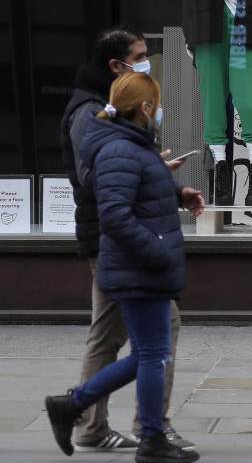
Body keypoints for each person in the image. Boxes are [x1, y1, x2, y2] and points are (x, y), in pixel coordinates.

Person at [46, 72, 204, 463]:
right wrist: (156, 251)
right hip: (138, 266)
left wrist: (177, 192)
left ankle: (72, 406)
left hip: (142, 265)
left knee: (149, 353)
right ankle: (150, 438)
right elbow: (115, 214)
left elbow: (139, 186)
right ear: (145, 107)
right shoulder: (119, 147)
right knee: (152, 354)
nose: (159, 112)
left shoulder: (131, 143)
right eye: (157, 104)